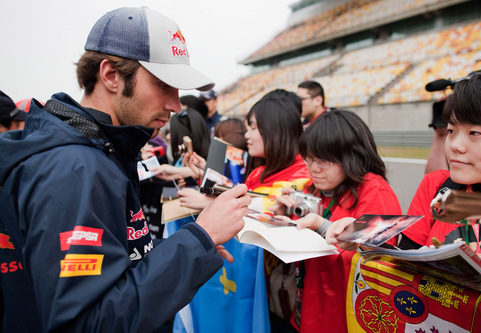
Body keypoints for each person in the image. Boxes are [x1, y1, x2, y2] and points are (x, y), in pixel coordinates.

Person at [0, 7, 251, 332]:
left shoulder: (96, 150)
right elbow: (87, 322)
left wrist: (180, 247)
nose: (176, 104)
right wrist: (197, 240)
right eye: (164, 85)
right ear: (111, 75)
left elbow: (110, 266)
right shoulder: (76, 168)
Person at [175, 89, 311, 333]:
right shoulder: (260, 172)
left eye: (254, 128)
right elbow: (245, 196)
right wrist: (204, 172)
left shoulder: (302, 176)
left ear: (275, 130)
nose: (246, 135)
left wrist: (208, 204)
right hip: (254, 284)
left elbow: (266, 208)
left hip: (283, 296)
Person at [270, 109, 402, 332]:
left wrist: (323, 227)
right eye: (309, 158)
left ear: (351, 155)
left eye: (323, 160)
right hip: (309, 304)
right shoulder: (311, 188)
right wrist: (282, 219)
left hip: (343, 314)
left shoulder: (374, 190)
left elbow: (380, 257)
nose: (314, 168)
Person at [400, 70, 481, 259]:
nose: (455, 146)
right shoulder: (435, 186)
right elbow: (405, 262)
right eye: (451, 131)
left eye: (474, 133)